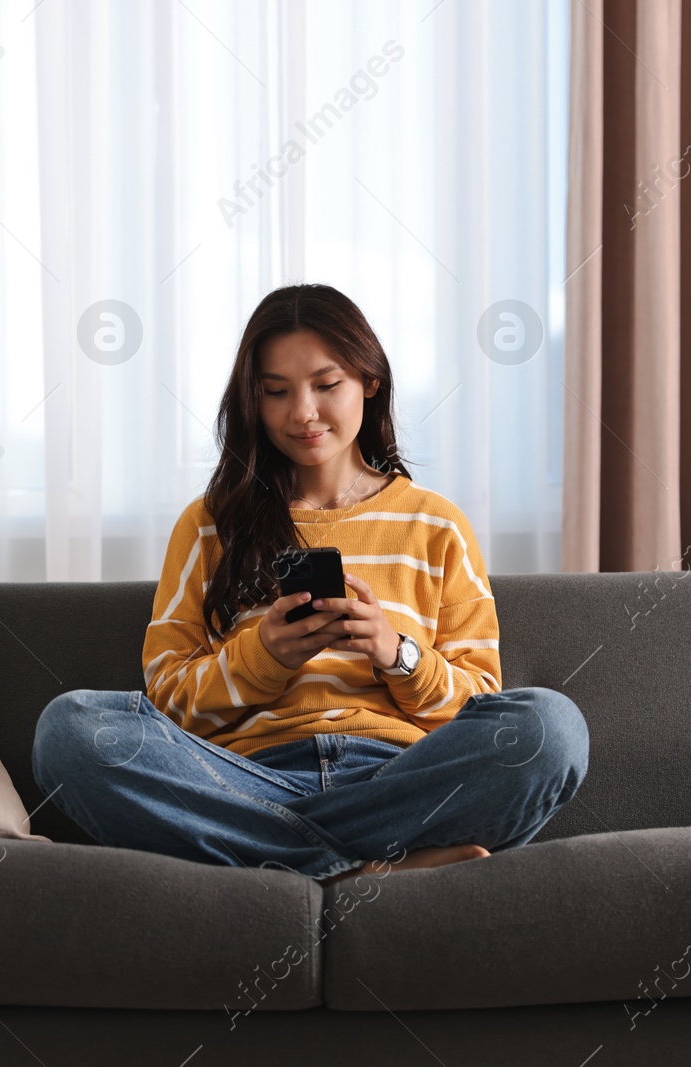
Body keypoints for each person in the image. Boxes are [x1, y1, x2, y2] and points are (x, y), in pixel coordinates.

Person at [32, 283, 589, 885]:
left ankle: (281, 861)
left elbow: (479, 699)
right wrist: (262, 657)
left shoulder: (437, 524)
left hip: (399, 777)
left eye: (327, 385)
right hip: (242, 779)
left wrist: (395, 655)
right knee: (70, 730)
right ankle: (366, 868)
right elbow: (167, 700)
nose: (302, 412)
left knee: (550, 727)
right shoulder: (208, 524)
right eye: (276, 392)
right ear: (253, 400)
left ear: (369, 382)